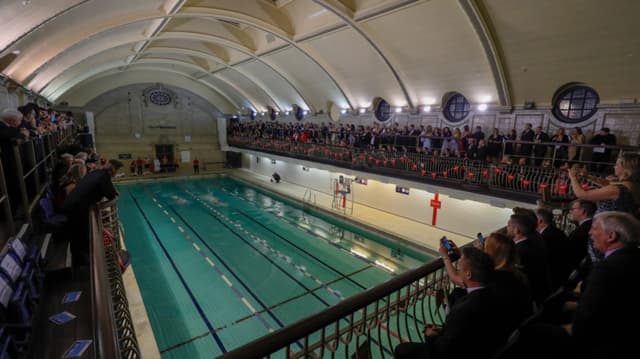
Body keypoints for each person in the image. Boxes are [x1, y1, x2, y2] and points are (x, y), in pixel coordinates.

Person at [394, 247, 508, 359]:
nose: (458, 270)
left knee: (401, 350)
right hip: (483, 347)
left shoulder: (463, 309)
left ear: (468, 275)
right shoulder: (496, 294)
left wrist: (431, 336)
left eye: (460, 267)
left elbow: (440, 351)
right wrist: (444, 330)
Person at [564, 211, 640, 359]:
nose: (590, 233)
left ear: (611, 236)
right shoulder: (633, 256)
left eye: (594, 228)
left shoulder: (607, 268)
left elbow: (586, 320)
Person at [63, 159, 123, 267]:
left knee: (76, 237)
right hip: (77, 209)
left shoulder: (95, 173)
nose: (116, 173)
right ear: (113, 169)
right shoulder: (104, 176)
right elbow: (110, 194)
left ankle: (79, 263)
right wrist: (115, 192)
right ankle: (88, 266)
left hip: (70, 204)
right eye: (117, 170)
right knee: (83, 237)